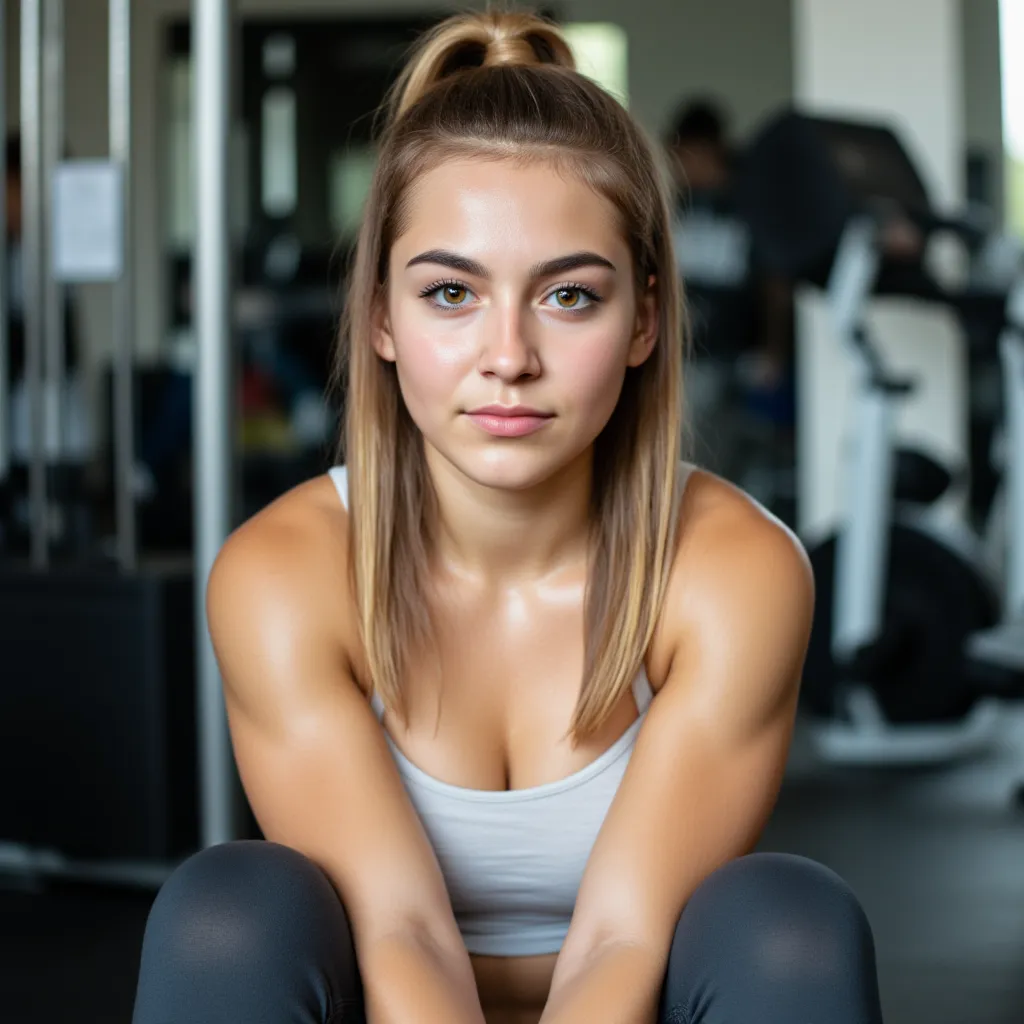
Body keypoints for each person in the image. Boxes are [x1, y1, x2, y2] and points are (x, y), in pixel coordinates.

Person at [132, 11, 884, 1024]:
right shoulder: (284, 573)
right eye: (451, 292)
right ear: (381, 319)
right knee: (225, 911)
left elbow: (623, 936)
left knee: (791, 921)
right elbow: (401, 928)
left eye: (568, 297)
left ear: (643, 322)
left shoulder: (732, 570)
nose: (508, 355)